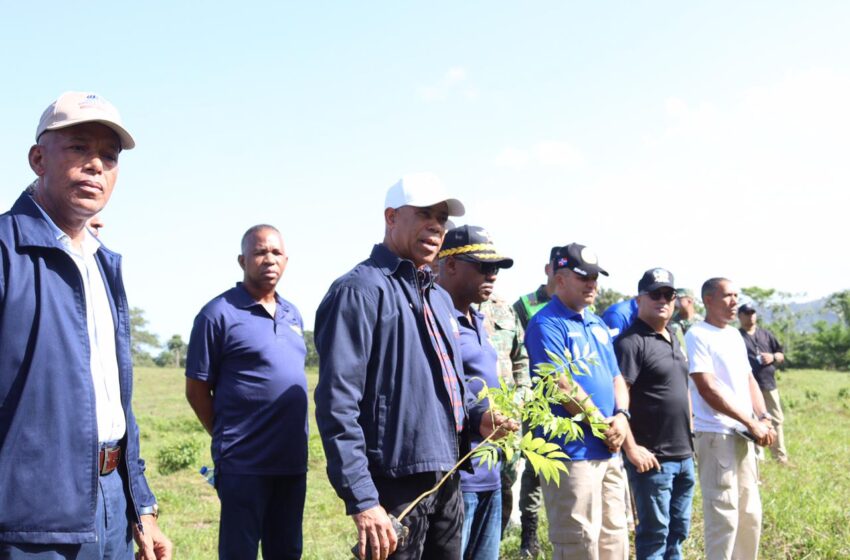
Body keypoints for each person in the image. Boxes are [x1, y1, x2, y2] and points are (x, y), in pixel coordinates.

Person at [0, 92, 171, 558]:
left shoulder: (102, 264)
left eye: (109, 157)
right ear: (39, 158)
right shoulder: (5, 253)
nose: (96, 165)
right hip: (28, 523)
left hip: (111, 504)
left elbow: (117, 399)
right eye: (79, 148)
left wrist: (142, 508)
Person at [313, 173, 514, 560]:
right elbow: (338, 406)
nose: (436, 225)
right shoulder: (359, 291)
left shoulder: (437, 298)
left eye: (441, 217)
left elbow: (451, 386)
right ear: (391, 218)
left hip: (448, 478)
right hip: (395, 486)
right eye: (424, 213)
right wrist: (363, 500)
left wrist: (478, 418)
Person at [185, 225, 308, 559]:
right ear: (242, 260)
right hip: (244, 464)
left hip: (291, 462)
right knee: (239, 552)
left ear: (287, 260)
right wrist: (225, 435)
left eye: (276, 252)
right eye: (259, 252)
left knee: (287, 551)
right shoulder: (218, 313)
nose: (269, 259)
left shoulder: (292, 313)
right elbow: (197, 390)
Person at [525, 243, 630, 560]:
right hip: (572, 453)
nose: (592, 284)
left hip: (608, 450)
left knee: (615, 539)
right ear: (560, 278)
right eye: (584, 276)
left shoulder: (597, 324)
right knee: (579, 543)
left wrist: (622, 417)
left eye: (596, 277)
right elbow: (561, 384)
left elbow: (616, 377)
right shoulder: (546, 324)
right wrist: (602, 425)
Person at [437, 225, 515, 560]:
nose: (493, 275)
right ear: (450, 265)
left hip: (489, 474)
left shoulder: (478, 319)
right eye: (483, 266)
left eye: (495, 268)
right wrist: (475, 417)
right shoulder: (434, 318)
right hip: (458, 477)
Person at [686, 278, 776, 560]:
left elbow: (749, 379)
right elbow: (707, 388)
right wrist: (750, 422)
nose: (734, 301)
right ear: (708, 300)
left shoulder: (734, 336)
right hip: (716, 435)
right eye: (727, 296)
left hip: (744, 434)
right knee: (723, 517)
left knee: (750, 513)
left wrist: (762, 416)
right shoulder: (697, 334)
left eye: (736, 295)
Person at [614, 269, 696, 560]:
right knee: (654, 536)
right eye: (655, 294)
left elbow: (681, 387)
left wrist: (691, 433)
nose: (663, 300)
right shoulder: (630, 342)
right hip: (652, 460)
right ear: (639, 299)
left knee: (678, 534)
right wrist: (632, 449)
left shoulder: (673, 336)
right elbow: (618, 399)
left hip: (684, 456)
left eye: (668, 294)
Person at [510, 247, 558, 558]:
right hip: (538, 401)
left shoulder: (574, 305)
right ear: (548, 270)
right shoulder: (525, 305)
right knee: (535, 466)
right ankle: (529, 535)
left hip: (570, 403)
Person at [475, 294, 529, 536]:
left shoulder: (503, 309)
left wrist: (518, 402)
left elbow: (521, 360)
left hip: (507, 424)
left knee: (504, 490)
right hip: (472, 425)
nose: (490, 276)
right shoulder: (445, 303)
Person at [738, 303, 788, 464]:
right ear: (740, 316)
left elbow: (781, 354)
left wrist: (772, 357)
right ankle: (758, 458)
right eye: (746, 313)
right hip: (747, 387)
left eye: (752, 313)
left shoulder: (766, 335)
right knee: (753, 420)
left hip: (768, 384)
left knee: (776, 420)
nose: (750, 316)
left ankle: (780, 456)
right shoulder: (736, 336)